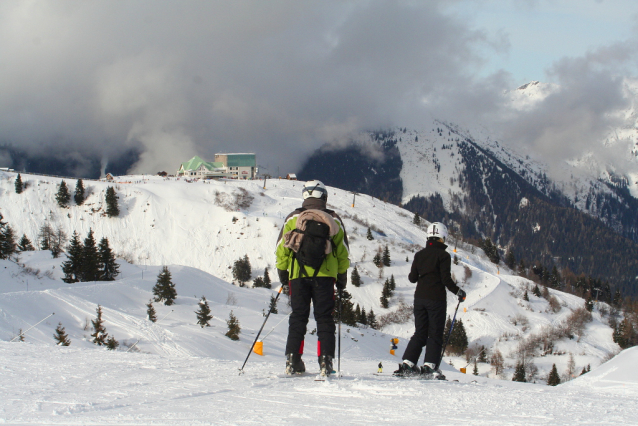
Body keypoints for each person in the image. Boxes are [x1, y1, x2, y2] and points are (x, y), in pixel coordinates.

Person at [276, 180, 350, 377]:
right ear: (324, 197)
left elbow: (281, 249)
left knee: (298, 316)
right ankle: (325, 362)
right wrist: (341, 278)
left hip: (298, 276)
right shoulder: (334, 220)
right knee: (324, 318)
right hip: (325, 277)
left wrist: (283, 273)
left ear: (305, 197)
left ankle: (293, 360)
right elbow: (343, 253)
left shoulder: (293, 219)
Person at [394, 222, 466, 379]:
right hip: (436, 300)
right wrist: (459, 292)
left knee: (420, 332)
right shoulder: (444, 256)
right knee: (434, 334)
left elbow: (412, 279)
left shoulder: (419, 255)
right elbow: (446, 279)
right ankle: (429, 366)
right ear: (443, 237)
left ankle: (407, 364)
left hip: (419, 299)